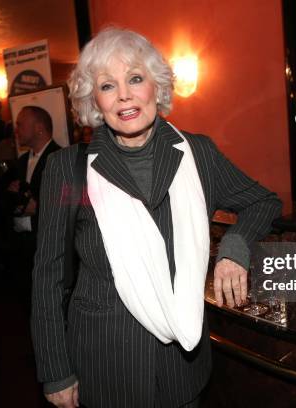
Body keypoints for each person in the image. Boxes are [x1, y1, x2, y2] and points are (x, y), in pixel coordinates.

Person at [31, 28, 282, 408]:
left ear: (156, 86)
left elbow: (263, 202)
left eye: (135, 78)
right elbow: (48, 274)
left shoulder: (197, 153)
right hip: (106, 361)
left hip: (182, 364)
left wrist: (234, 247)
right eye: (107, 86)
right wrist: (55, 371)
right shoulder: (68, 169)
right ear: (95, 101)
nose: (125, 95)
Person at [2, 106, 60, 302]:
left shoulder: (61, 158)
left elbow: (73, 202)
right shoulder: (22, 160)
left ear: (39, 128)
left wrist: (39, 208)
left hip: (49, 248)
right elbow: (9, 199)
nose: (15, 130)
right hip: (22, 247)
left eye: (20, 124)